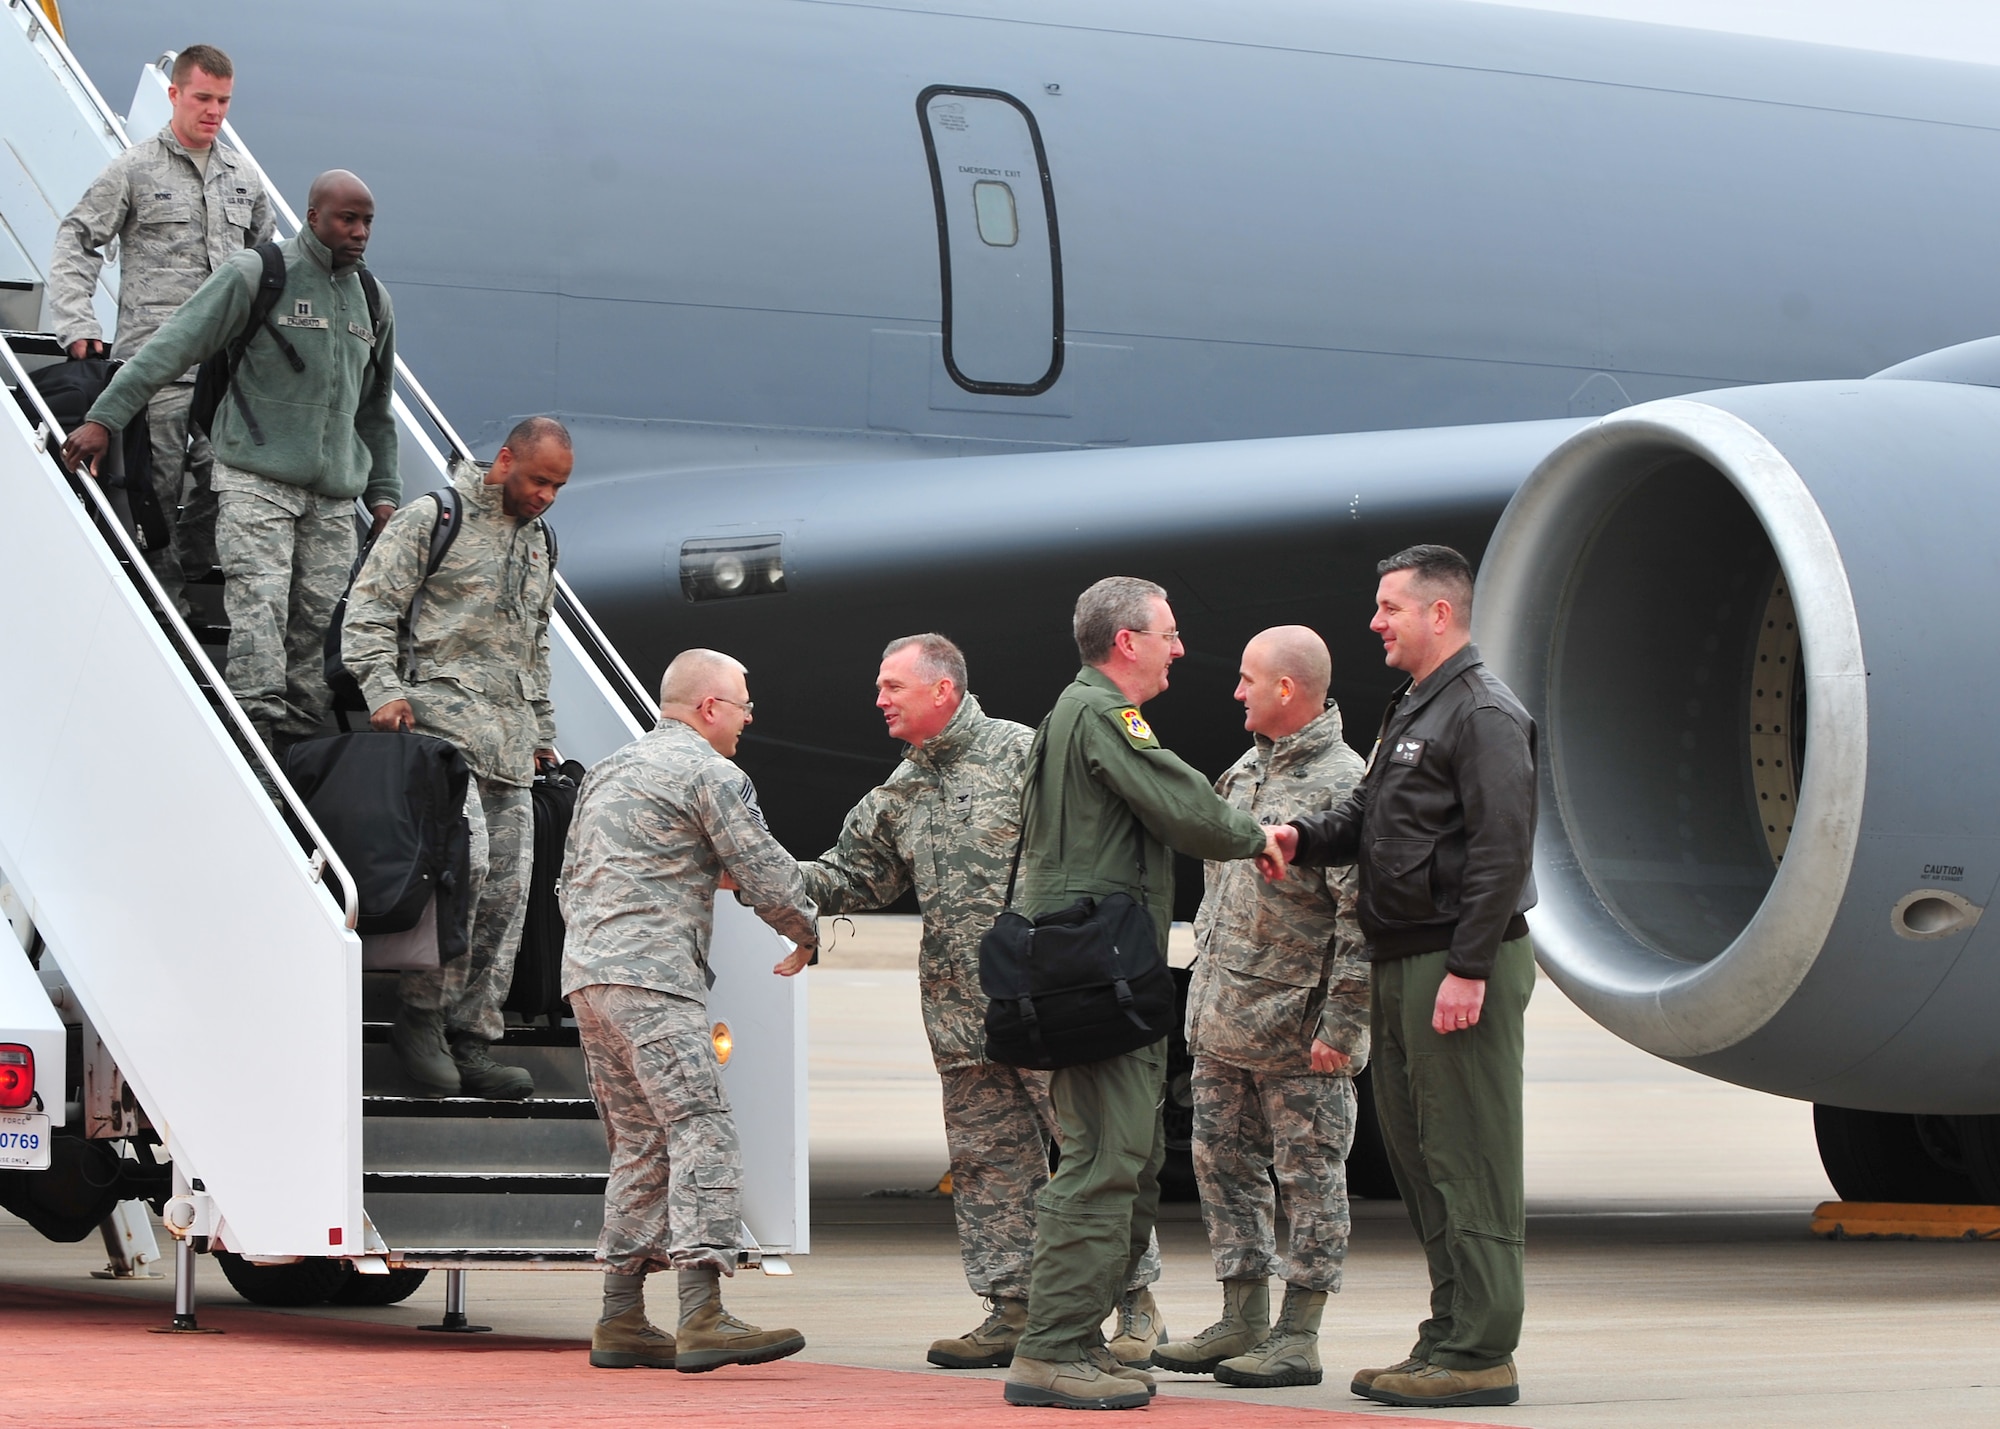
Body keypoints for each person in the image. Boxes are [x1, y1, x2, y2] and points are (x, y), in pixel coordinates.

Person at [794, 634, 1167, 1372]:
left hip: (1047, 1002)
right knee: (989, 1163)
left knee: (1091, 1148)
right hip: (962, 1018)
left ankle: (1135, 1305)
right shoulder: (898, 790)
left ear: (942, 688)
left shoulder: (1024, 753)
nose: (878, 699)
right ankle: (1013, 1307)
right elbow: (848, 878)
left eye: (891, 685)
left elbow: (1108, 831)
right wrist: (749, 866)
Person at [1002, 577, 1284, 1412]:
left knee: (1120, 1157)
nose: (1180, 647)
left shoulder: (1069, 716)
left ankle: (1076, 1334)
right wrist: (1254, 834)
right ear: (1126, 641)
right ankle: (1052, 1346)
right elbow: (1182, 805)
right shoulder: (1102, 716)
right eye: (1168, 632)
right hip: (1100, 969)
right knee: (1104, 1160)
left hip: (1093, 965)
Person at [1272, 545, 1536, 1411]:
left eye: (1390, 606)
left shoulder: (1484, 712)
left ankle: (1481, 1348)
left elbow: (1503, 847)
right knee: (1422, 1156)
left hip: (1455, 959)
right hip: (1405, 955)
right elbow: (1371, 817)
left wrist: (1469, 966)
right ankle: (1449, 1331)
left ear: (1439, 613)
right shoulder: (1417, 706)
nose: (1377, 621)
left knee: (1468, 1151)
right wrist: (1304, 838)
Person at [62, 170, 399, 749]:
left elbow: (376, 409)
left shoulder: (372, 299)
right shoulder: (257, 274)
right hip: (256, 481)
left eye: (367, 220)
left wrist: (384, 496)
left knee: (313, 636)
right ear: (314, 216)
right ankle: (253, 762)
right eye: (348, 218)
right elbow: (171, 345)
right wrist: (103, 418)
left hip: (333, 500)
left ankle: (292, 762)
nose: (360, 231)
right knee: (258, 623)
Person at [559, 649, 814, 1374]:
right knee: (702, 1127)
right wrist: (807, 928)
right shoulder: (711, 772)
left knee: (639, 1142)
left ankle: (621, 1317)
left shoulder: (610, 769)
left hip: (590, 977)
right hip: (655, 978)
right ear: (708, 707)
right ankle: (703, 1312)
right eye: (742, 703)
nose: (748, 716)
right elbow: (763, 867)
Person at [1153, 626, 1368, 1390]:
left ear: (1286, 688)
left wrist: (1342, 1026)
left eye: (1247, 679)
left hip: (1296, 1032)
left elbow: (1359, 921)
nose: (1235, 691)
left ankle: (1298, 1332)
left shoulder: (1345, 784)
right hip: (1224, 1020)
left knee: (1311, 1178)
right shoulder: (1244, 769)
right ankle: (1241, 1315)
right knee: (1222, 1164)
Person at [340, 417, 573, 1100]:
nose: (548, 496)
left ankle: (473, 1038)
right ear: (504, 461)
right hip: (439, 737)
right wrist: (382, 689)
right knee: (464, 876)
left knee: (508, 893)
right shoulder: (433, 517)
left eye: (559, 486)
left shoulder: (540, 543)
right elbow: (370, 607)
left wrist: (541, 729)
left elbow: (536, 643)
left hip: (510, 745)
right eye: (539, 480)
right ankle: (420, 1018)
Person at [47, 43, 274, 607]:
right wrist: (76, 322)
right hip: (156, 375)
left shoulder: (244, 178)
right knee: (153, 495)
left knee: (227, 485)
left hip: (224, 375)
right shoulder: (135, 168)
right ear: (174, 94)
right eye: (202, 98)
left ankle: (183, 572)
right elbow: (77, 238)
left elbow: (273, 268)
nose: (214, 111)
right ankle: (159, 609)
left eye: (223, 101)